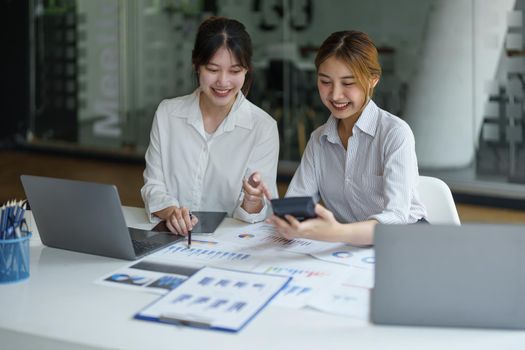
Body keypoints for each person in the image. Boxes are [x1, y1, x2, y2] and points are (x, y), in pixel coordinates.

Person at [266, 30, 427, 246]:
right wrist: (287, 221)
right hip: (348, 248)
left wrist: (336, 233)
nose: (335, 95)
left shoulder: (395, 133)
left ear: (373, 80)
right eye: (325, 81)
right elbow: (296, 205)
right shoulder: (318, 140)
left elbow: (395, 219)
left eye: (348, 83)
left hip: (405, 243)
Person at [141, 16, 278, 236]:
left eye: (235, 71)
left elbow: (257, 212)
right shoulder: (168, 114)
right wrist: (172, 213)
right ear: (197, 65)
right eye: (213, 69)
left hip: (229, 247)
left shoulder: (263, 127)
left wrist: (253, 201)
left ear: (246, 70)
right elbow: (153, 185)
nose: (223, 82)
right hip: (172, 239)